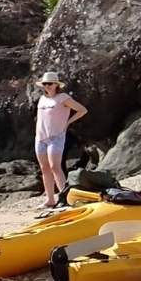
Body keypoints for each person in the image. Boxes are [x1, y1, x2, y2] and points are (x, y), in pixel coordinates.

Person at [34, 71, 88, 208]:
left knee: (55, 167)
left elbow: (82, 110)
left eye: (50, 84)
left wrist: (68, 122)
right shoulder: (42, 99)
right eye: (45, 84)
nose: (47, 86)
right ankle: (50, 199)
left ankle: (66, 198)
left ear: (56, 85)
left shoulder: (63, 98)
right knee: (44, 168)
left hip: (56, 137)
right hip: (40, 138)